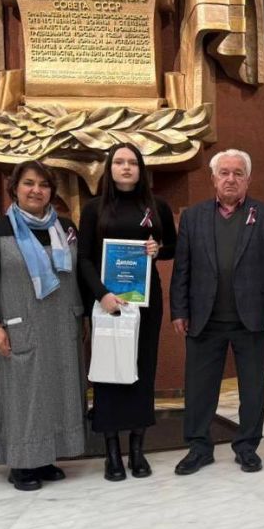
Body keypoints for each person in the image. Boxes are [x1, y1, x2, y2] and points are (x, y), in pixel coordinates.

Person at [170, 149, 264, 475]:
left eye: (238, 173)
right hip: (203, 318)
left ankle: (247, 446)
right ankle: (198, 447)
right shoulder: (193, 217)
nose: (231, 178)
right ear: (213, 179)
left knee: (253, 389)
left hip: (251, 318)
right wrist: (179, 309)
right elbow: (182, 269)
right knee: (199, 388)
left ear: (248, 179)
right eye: (224, 172)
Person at [0, 160, 87, 491]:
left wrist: (82, 317)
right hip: (19, 324)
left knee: (60, 391)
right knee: (25, 395)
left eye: (43, 184)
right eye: (28, 183)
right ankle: (22, 463)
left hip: (62, 324)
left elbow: (79, 274)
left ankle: (48, 456)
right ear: (15, 189)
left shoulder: (65, 228)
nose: (36, 190)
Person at [78, 143, 177, 482]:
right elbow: (85, 259)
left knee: (141, 371)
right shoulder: (93, 209)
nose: (125, 168)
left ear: (141, 168)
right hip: (107, 304)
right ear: (109, 168)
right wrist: (102, 295)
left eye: (132, 162)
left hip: (145, 304)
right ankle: (111, 453)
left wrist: (158, 248)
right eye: (119, 162)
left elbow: (172, 248)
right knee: (108, 372)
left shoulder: (156, 206)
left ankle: (137, 450)